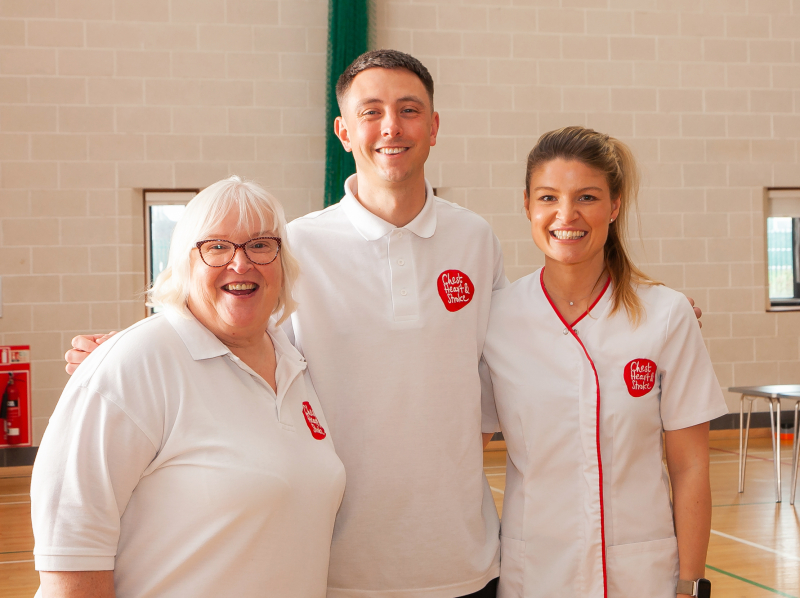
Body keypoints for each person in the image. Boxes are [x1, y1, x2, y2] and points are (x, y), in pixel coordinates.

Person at [63, 52, 703, 598]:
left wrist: (645, 317)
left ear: (434, 127)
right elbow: (224, 316)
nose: (390, 126)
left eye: (408, 109)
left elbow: (527, 332)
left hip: (468, 563)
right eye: (370, 111)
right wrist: (131, 343)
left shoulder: (475, 239)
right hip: (338, 566)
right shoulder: (296, 246)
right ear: (344, 130)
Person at [32, 176, 345, 598]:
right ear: (183, 262)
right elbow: (70, 559)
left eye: (260, 244)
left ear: (282, 262)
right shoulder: (135, 363)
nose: (240, 263)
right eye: (216, 246)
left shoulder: (294, 361)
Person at [481, 127, 727, 598]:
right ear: (527, 206)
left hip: (642, 574)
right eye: (548, 196)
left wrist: (690, 584)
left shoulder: (667, 315)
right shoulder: (495, 320)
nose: (566, 215)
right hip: (534, 571)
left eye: (587, 197)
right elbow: (464, 451)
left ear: (614, 206)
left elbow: (691, 466)